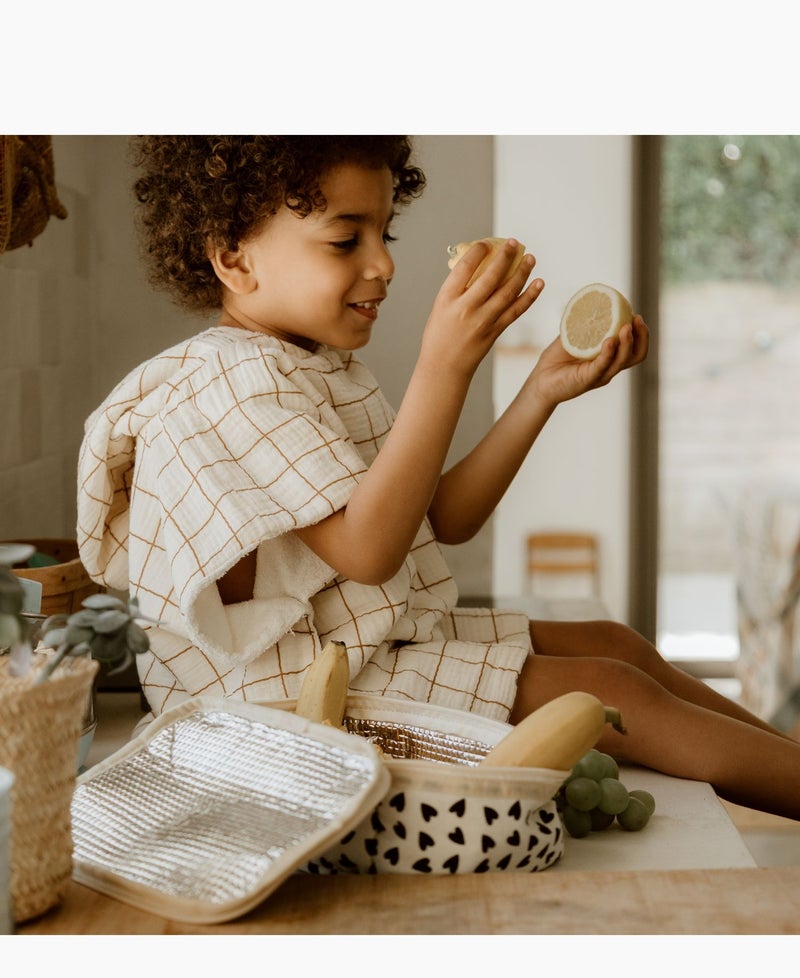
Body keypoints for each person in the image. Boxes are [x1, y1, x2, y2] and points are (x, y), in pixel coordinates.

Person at [77, 136, 800, 821]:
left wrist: (539, 391)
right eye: (344, 239)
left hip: (360, 653)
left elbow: (439, 518)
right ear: (235, 259)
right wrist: (444, 364)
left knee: (617, 643)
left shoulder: (311, 369)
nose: (383, 264)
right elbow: (370, 552)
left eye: (384, 234)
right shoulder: (232, 384)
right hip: (280, 706)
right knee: (611, 690)